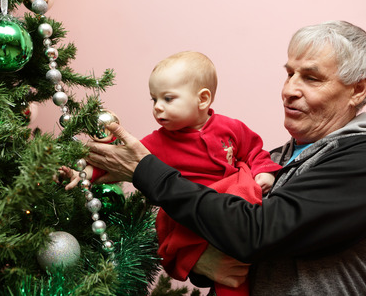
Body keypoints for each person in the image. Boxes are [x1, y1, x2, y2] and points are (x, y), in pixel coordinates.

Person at [84, 20, 366, 295]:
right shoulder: (270, 161)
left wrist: (145, 170)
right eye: (289, 73)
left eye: (311, 78)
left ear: (357, 90)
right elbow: (215, 222)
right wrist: (199, 262)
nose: (289, 89)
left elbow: (255, 233)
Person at [60, 51, 281, 296]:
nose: (157, 107)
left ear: (203, 99)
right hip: (191, 216)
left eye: (168, 98)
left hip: (229, 210)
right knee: (216, 265)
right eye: (154, 99)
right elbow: (119, 160)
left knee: (243, 185)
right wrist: (84, 172)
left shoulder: (231, 128)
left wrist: (265, 172)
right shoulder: (156, 143)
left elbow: (254, 151)